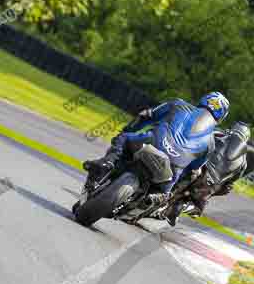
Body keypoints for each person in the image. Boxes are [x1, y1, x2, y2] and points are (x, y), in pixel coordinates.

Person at [83, 92, 230, 222]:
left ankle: (108, 162)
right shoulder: (211, 143)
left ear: (203, 100)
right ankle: (159, 198)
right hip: (171, 171)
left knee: (125, 137)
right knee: (187, 177)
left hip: (150, 144)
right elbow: (193, 169)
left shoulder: (178, 104)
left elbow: (146, 115)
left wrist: (129, 129)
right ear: (221, 118)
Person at [164, 121, 251, 225]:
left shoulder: (218, 134)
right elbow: (228, 187)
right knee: (199, 206)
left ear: (232, 129)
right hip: (209, 185)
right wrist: (213, 191)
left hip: (197, 168)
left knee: (176, 172)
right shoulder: (243, 162)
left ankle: (169, 199)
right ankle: (186, 206)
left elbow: (197, 141)